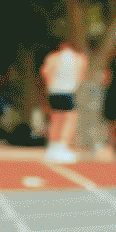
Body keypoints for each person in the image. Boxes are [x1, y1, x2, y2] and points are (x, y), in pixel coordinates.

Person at [39, 36, 87, 164]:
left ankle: (52, 147)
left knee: (55, 119)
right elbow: (81, 75)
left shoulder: (53, 57)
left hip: (53, 91)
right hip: (68, 91)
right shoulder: (79, 58)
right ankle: (63, 145)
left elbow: (45, 72)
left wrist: (49, 85)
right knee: (69, 118)